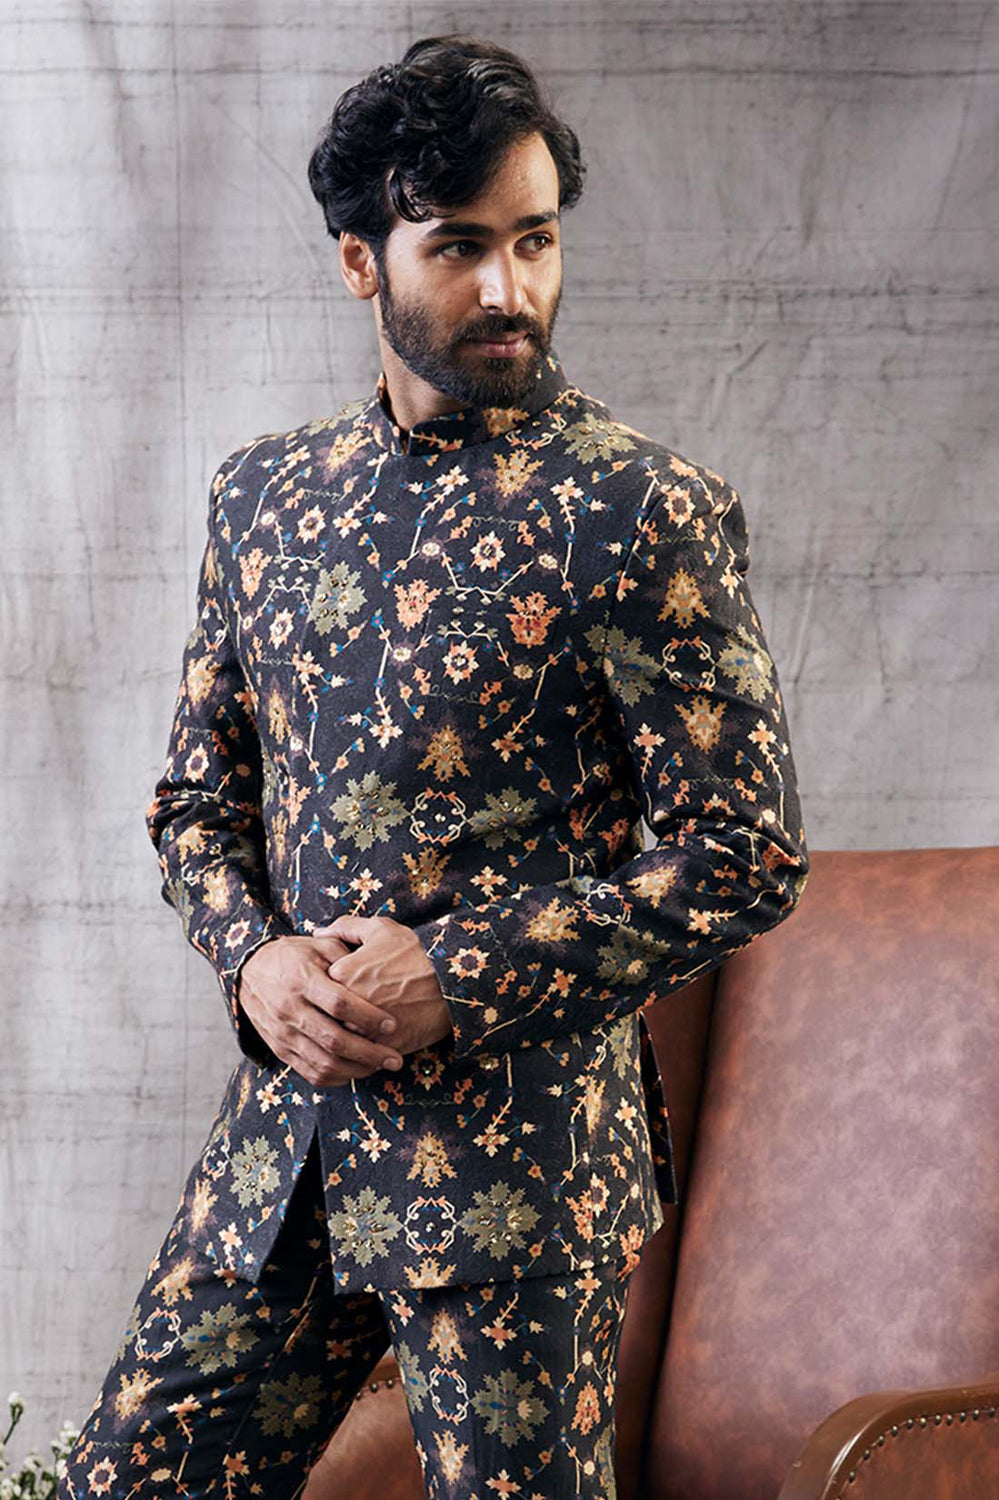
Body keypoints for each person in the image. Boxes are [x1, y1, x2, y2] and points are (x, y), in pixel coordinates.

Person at [60, 32, 810, 1500]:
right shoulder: (265, 499)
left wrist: (456, 974)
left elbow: (746, 853)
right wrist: (253, 962)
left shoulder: (641, 509)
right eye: (459, 246)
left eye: (535, 240)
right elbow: (196, 804)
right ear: (362, 262)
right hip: (283, 1153)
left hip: (518, 1180)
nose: (508, 288)